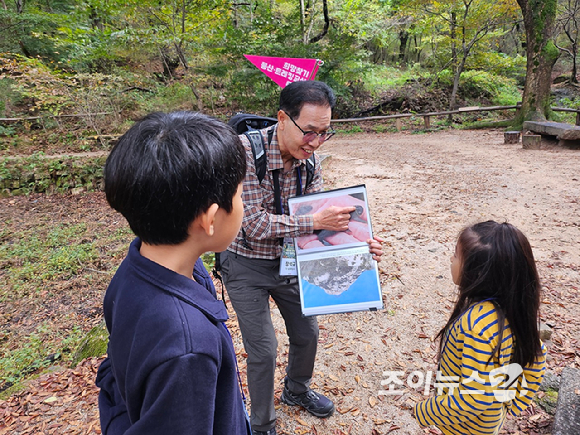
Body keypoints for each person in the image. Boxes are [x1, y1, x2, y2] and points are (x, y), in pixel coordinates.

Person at [219, 80, 383, 435]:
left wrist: (359, 247)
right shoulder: (243, 153)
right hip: (244, 262)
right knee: (263, 348)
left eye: (325, 133)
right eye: (309, 132)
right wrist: (313, 221)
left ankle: (296, 389)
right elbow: (251, 222)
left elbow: (321, 222)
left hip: (291, 260)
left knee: (307, 332)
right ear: (282, 118)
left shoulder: (310, 162)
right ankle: (261, 424)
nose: (316, 142)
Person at [95, 111, 251, 435]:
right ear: (209, 220)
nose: (243, 203)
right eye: (239, 194)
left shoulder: (136, 267)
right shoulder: (188, 348)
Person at [414, 221, 546, 435]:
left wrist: (425, 411)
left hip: (468, 427)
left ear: (477, 274)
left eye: (456, 255)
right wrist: (515, 402)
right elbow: (536, 356)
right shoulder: (511, 309)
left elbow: (474, 398)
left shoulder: (476, 326)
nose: (451, 259)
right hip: (490, 419)